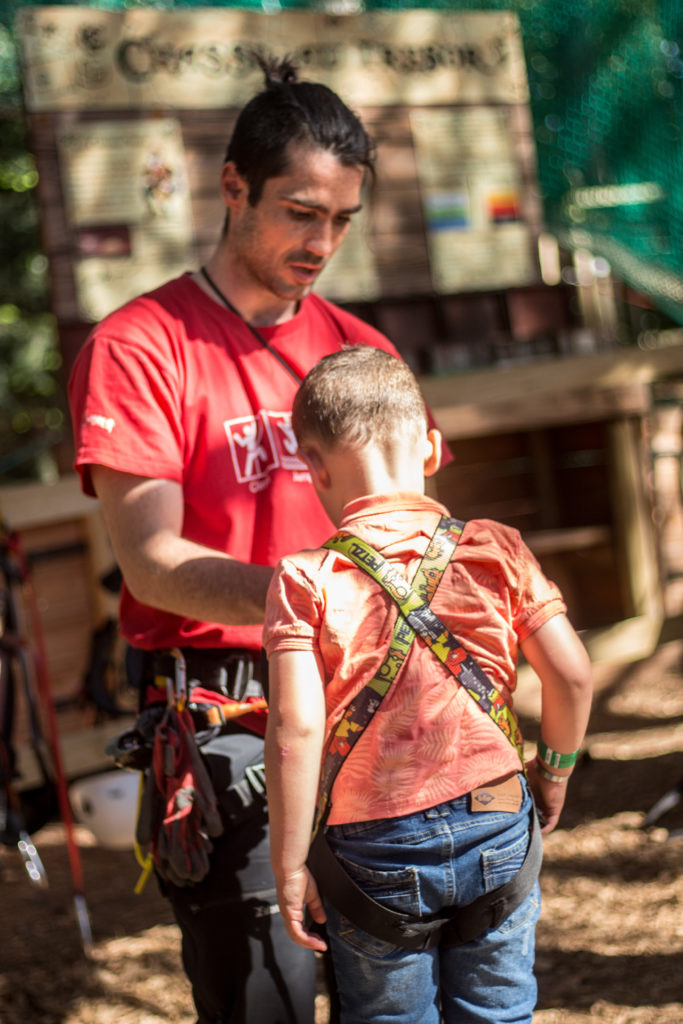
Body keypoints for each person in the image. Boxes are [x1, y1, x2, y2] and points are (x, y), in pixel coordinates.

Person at [68, 55, 448, 1024]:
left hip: (377, 708)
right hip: (225, 716)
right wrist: (309, 598)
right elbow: (152, 560)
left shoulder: (361, 352)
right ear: (232, 185)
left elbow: (413, 532)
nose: (322, 240)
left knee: (398, 1002)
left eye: (341, 218)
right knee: (267, 998)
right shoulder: (141, 345)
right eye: (299, 210)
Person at [263, 346, 594, 1024]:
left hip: (372, 843)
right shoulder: (494, 547)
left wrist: (290, 863)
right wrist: (553, 771)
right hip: (500, 807)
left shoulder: (305, 580)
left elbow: (295, 730)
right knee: (498, 1012)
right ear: (432, 447)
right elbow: (571, 672)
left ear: (314, 469)